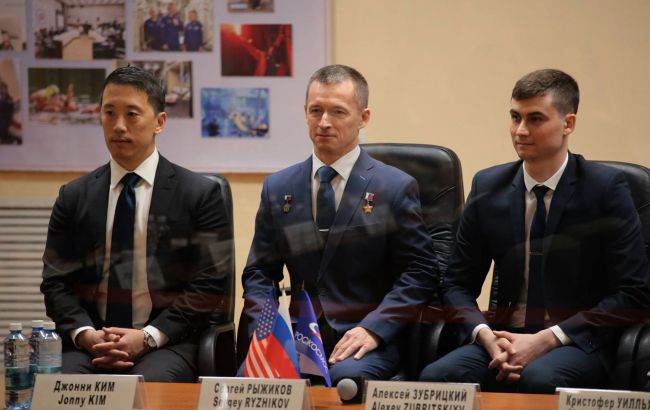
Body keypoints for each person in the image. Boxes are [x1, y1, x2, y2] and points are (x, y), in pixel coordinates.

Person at [419, 69, 650, 393]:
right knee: (437, 378)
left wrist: (548, 339)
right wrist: (484, 335)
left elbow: (634, 291)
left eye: (535, 119)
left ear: (568, 124)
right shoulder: (489, 187)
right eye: (515, 117)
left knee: (539, 379)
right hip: (503, 339)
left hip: (577, 342)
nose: (521, 130)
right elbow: (457, 283)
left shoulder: (605, 189)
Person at [242, 64, 439, 383]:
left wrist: (375, 328)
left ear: (363, 117)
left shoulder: (394, 187)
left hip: (364, 337)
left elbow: (420, 272)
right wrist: (265, 329)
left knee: (343, 384)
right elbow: (259, 272)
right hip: (299, 337)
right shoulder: (278, 187)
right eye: (316, 110)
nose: (324, 122)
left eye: (338, 112)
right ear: (305, 112)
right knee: (254, 384)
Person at [40, 66, 231, 382]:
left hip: (166, 342)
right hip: (90, 343)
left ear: (160, 122)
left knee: (145, 390)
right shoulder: (73, 196)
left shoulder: (199, 195)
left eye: (131, 114)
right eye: (109, 113)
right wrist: (86, 335)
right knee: (58, 388)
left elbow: (209, 284)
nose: (118, 126)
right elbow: (55, 282)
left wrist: (147, 337)